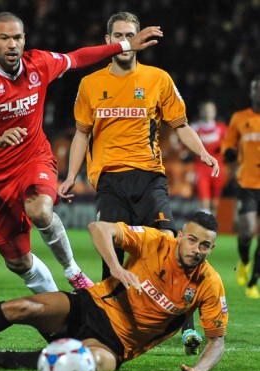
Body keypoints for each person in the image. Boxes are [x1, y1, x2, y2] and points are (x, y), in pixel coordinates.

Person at [0, 11, 164, 293]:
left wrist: (125, 45)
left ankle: (73, 271)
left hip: (34, 157)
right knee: (18, 262)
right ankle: (57, 307)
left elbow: (78, 58)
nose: (12, 44)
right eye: (4, 38)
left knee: (40, 210)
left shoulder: (39, 63)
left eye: (17, 37)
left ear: (24, 39)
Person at [0, 211, 227, 371]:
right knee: (23, 307)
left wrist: (200, 369)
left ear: (211, 248)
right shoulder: (156, 242)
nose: (197, 249)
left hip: (115, 345)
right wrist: (117, 267)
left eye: (206, 245)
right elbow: (99, 228)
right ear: (181, 235)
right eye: (192, 239)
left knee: (94, 366)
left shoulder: (209, 284)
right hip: (90, 306)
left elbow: (216, 341)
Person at [58, 12, 219, 351]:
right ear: (108, 41)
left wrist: (203, 153)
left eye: (131, 34)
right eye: (119, 35)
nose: (126, 41)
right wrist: (71, 176)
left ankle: (187, 327)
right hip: (109, 181)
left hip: (149, 178)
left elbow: (181, 124)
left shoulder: (158, 79)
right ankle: (104, 325)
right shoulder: (89, 84)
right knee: (112, 251)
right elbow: (81, 135)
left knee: (171, 243)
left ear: (140, 40)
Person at [221, 75, 260, 299]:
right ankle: (244, 260)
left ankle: (253, 281)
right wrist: (229, 151)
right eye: (257, 89)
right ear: (252, 92)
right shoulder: (240, 118)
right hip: (248, 183)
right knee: (246, 232)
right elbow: (228, 141)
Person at [190, 100, 227, 214]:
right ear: (201, 112)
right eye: (206, 110)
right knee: (204, 201)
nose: (208, 112)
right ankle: (205, 228)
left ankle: (213, 228)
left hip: (218, 168)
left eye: (210, 110)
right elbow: (185, 146)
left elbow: (229, 144)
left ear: (215, 112)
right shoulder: (194, 128)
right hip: (201, 168)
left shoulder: (221, 128)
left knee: (215, 203)